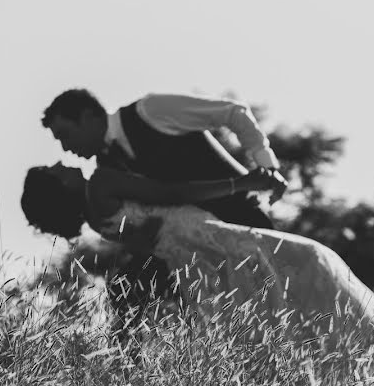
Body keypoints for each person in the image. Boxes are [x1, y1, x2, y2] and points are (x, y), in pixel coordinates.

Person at [20, 163, 374, 356]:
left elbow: (151, 243)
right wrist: (243, 182)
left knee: (273, 321)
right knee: (309, 264)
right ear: (58, 185)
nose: (62, 162)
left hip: (197, 270)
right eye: (54, 169)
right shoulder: (103, 182)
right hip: (215, 241)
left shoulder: (99, 223)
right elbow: (172, 188)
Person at [40, 88, 289, 346]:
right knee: (244, 332)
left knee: (286, 310)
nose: (65, 147)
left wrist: (267, 168)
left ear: (87, 116)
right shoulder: (107, 168)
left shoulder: (152, 111)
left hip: (244, 221)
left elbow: (233, 112)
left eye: (65, 135)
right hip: (202, 256)